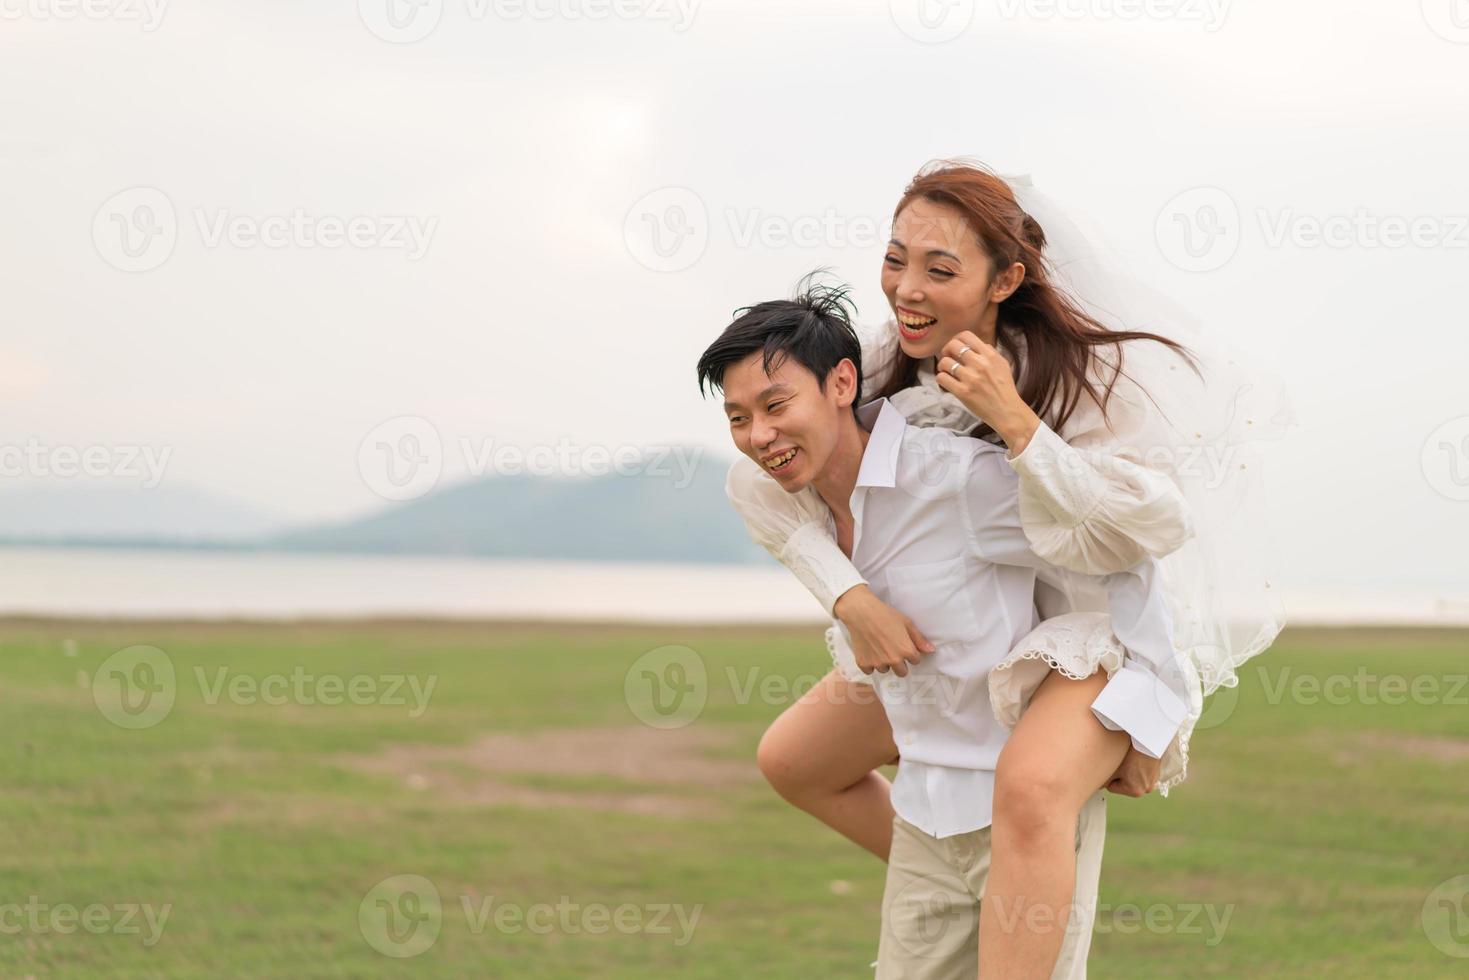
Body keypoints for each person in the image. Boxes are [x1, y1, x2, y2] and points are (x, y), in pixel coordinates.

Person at [719, 162, 1289, 976]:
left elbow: (1150, 531)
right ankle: (987, 890)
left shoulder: (1072, 377)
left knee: (1027, 792)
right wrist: (849, 599)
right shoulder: (883, 362)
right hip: (969, 630)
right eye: (895, 258)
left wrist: (1018, 425)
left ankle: (1020, 895)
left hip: (1092, 635)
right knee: (793, 759)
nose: (905, 289)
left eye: (939, 270)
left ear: (1005, 280)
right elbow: (762, 480)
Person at [697, 287, 1193, 978]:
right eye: (738, 418)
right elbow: (754, 500)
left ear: (842, 382)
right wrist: (851, 599)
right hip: (926, 818)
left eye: (776, 406)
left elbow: (1120, 548)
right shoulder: (787, 497)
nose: (758, 436)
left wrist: (1149, 714)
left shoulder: (952, 481)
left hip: (1019, 818)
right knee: (791, 761)